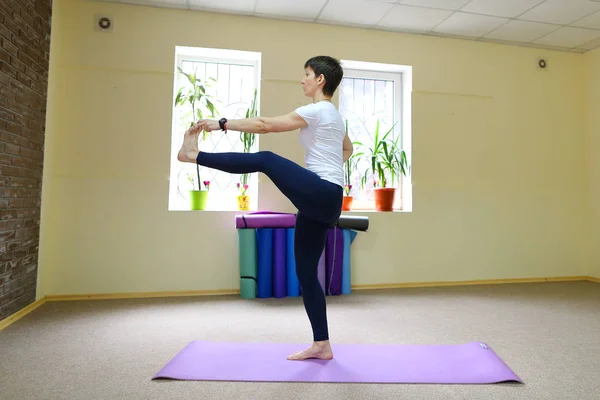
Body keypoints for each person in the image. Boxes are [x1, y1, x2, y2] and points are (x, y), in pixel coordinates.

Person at [177, 55, 353, 361]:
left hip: (323, 194)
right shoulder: (335, 117)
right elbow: (348, 148)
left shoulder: (318, 110)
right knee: (306, 273)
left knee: (266, 159)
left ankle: (193, 155)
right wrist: (330, 172)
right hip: (325, 201)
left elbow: (264, 125)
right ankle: (322, 344)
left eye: (307, 74)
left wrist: (220, 123)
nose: (303, 79)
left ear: (320, 80)